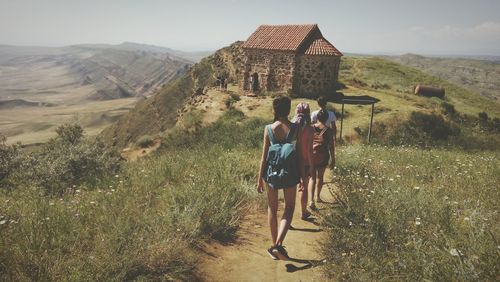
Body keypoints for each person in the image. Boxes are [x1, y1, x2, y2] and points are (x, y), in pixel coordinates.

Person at [257, 96, 304, 260]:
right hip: (290, 172)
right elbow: (300, 156)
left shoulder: (268, 128)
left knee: (272, 207)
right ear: (289, 110)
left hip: (271, 173)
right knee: (289, 208)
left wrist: (259, 179)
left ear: (274, 110)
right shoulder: (297, 128)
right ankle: (278, 245)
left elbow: (263, 158)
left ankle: (274, 247)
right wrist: (303, 178)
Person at [310, 96, 336, 203]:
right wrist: (333, 159)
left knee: (312, 178)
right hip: (323, 154)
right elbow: (331, 146)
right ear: (326, 118)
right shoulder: (328, 131)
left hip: (312, 154)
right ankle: (318, 197)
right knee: (320, 177)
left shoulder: (311, 128)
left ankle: (311, 201)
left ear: (317, 117)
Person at [292, 103, 314, 220]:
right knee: (304, 188)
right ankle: (303, 212)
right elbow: (310, 150)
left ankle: (287, 218)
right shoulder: (310, 129)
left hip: (292, 162)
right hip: (305, 163)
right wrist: (311, 165)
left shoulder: (291, 127)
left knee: (289, 190)